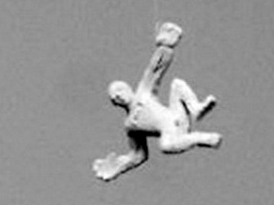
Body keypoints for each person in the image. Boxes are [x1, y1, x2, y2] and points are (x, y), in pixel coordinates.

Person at [92, 21, 221, 182]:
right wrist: (118, 168)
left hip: (178, 114)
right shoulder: (130, 125)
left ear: (128, 88)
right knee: (165, 146)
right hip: (172, 134)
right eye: (114, 98)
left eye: (119, 90)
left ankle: (196, 109)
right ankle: (204, 139)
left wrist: (165, 46)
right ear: (116, 104)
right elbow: (138, 155)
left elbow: (155, 68)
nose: (118, 96)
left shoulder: (143, 92)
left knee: (176, 84)